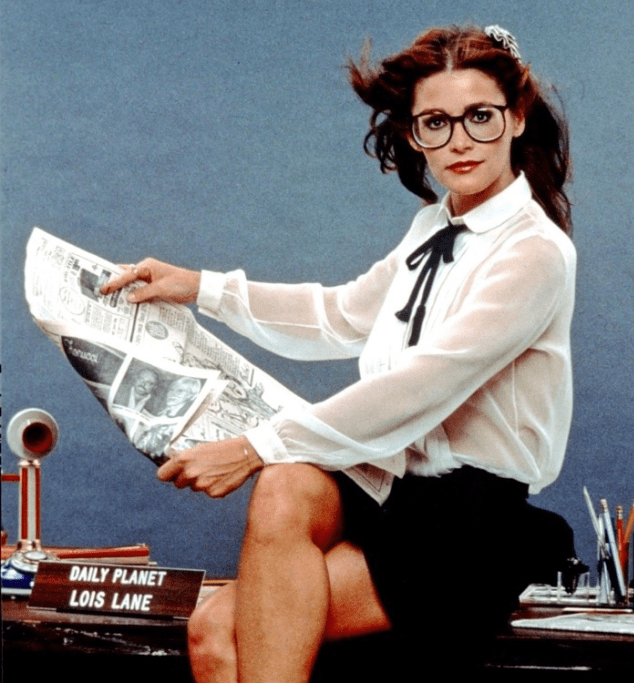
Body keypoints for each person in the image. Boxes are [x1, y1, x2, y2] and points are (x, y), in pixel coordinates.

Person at [101, 23, 576, 682]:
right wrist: (200, 288)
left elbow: (421, 387)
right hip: (397, 493)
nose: (459, 141)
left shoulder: (535, 252)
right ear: (414, 133)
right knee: (279, 500)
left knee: (223, 625)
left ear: (517, 117)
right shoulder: (433, 227)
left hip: (469, 524)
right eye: (435, 123)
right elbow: (341, 314)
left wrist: (253, 446)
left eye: (480, 116)